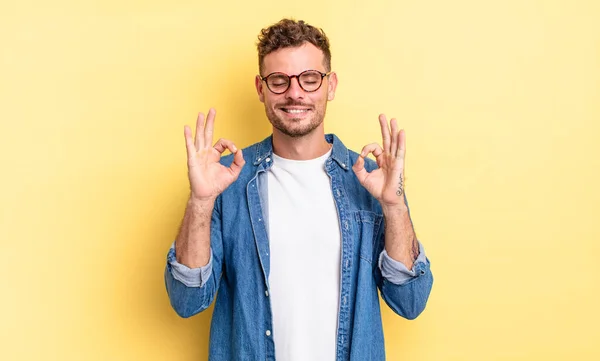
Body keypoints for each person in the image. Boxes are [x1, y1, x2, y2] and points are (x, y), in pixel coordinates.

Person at [164, 18, 433, 361]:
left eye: (309, 79)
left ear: (330, 85)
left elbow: (410, 302)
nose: (295, 93)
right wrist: (201, 201)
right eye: (279, 81)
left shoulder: (372, 180)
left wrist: (394, 207)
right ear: (261, 89)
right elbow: (187, 302)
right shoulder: (227, 183)